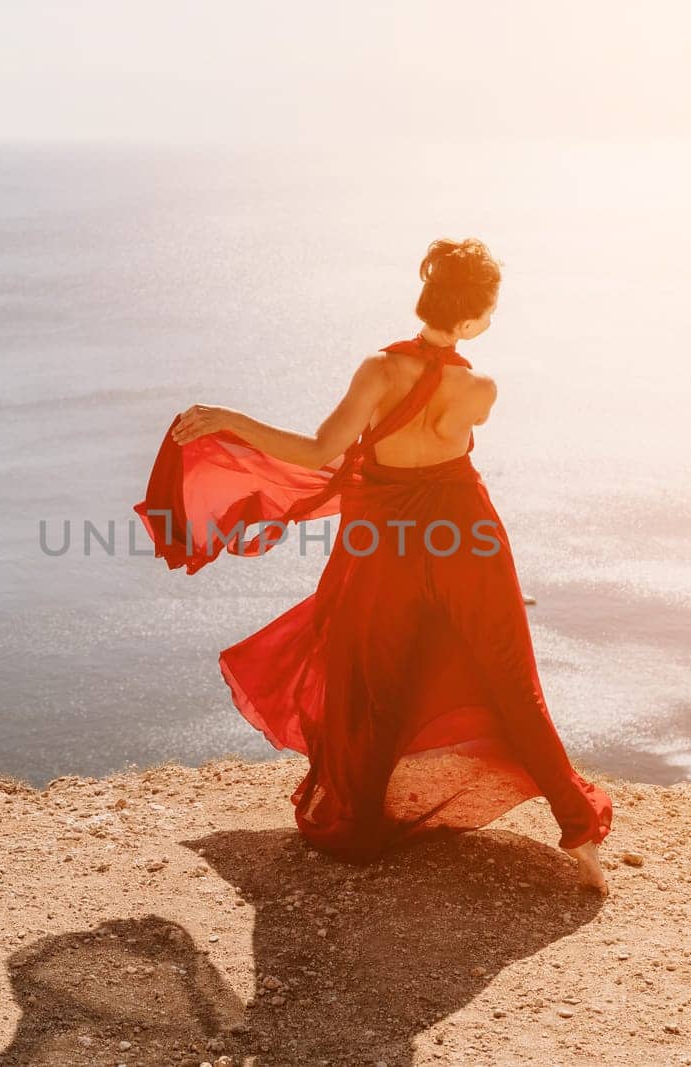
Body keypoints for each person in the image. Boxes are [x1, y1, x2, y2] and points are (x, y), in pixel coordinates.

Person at [135, 237, 612, 895]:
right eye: (489, 312)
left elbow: (317, 450)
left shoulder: (376, 372)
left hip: (387, 543)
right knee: (511, 683)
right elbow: (449, 442)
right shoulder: (480, 389)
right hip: (465, 539)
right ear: (473, 318)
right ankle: (580, 834)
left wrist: (227, 419)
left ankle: (358, 827)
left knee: (379, 683)